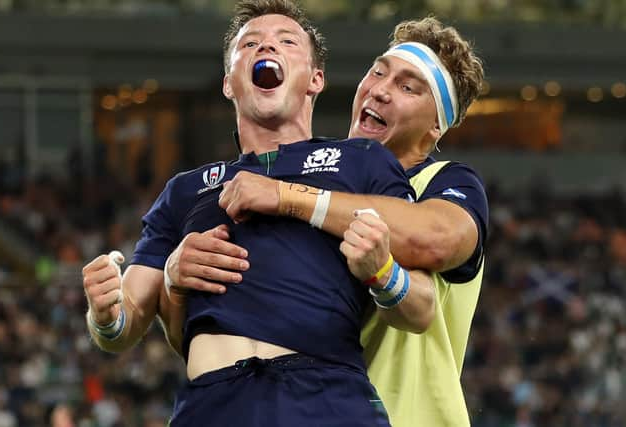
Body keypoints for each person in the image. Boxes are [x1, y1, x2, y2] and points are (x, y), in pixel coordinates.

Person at [82, 1, 436, 426]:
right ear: (229, 83)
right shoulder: (185, 190)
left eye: (287, 41)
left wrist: (382, 271)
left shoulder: (362, 161)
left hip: (326, 397)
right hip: (212, 405)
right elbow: (125, 326)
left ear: (315, 80)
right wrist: (104, 314)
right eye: (250, 43)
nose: (267, 44)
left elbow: (421, 308)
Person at [179, 17, 487, 427]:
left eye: (407, 87)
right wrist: (172, 272)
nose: (380, 90)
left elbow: (435, 238)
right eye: (378, 72)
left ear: (436, 125)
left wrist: (288, 195)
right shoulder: (327, 183)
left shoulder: (446, 181)